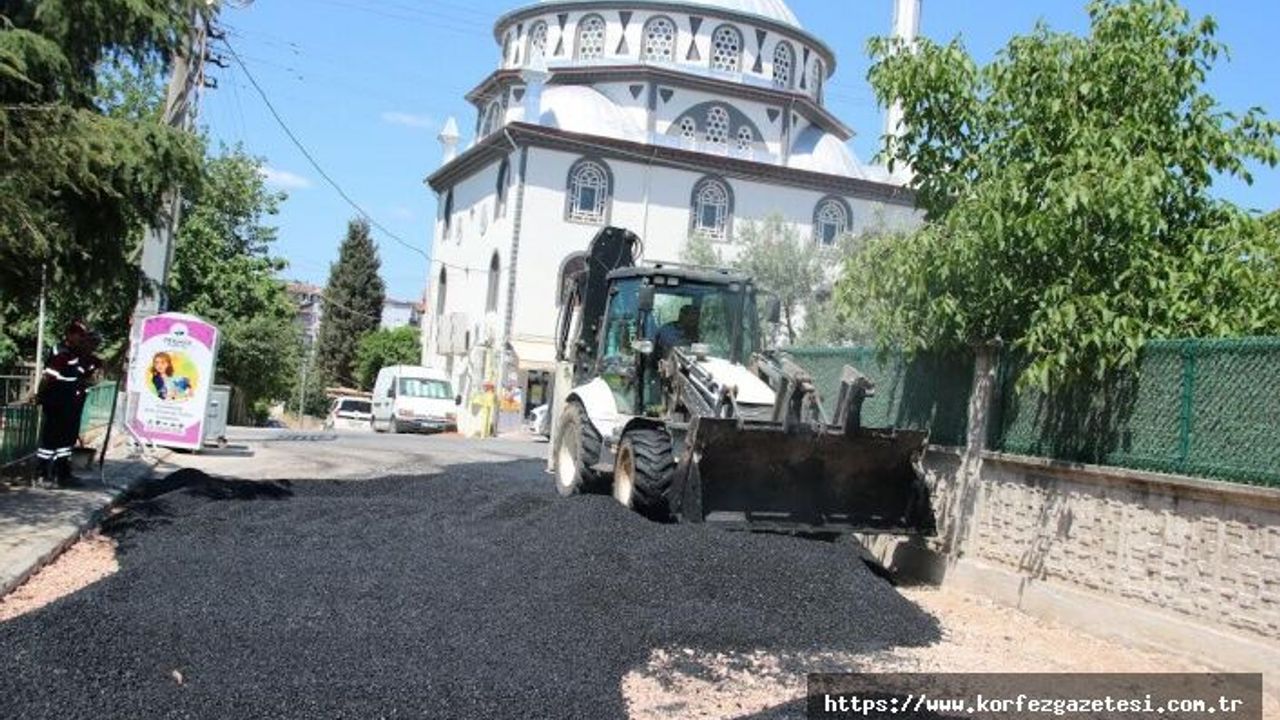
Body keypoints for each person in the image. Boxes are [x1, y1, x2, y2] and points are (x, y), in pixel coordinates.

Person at [35, 321, 102, 486]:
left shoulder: (75, 355)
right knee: (51, 439)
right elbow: (47, 378)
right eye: (81, 337)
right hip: (56, 403)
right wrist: (39, 395)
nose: (83, 341)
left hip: (69, 404)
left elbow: (89, 369)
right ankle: (42, 474)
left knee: (66, 440)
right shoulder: (62, 354)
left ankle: (62, 473)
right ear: (70, 335)